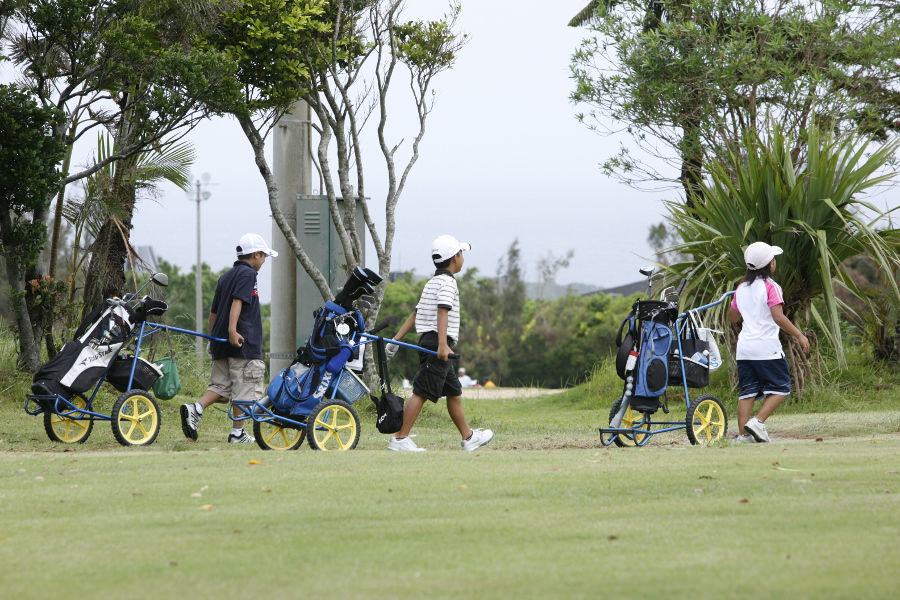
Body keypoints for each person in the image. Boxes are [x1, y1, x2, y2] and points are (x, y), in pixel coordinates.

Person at [385, 234, 493, 452]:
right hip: (437, 343)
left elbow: (416, 314)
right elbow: (442, 311)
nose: (462, 258)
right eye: (461, 253)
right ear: (455, 258)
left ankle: (469, 437)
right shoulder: (448, 283)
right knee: (422, 391)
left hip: (432, 341)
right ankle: (400, 439)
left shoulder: (432, 282)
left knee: (453, 391)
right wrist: (443, 345)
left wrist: (395, 340)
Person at [180, 233, 277, 443]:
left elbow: (213, 312)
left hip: (221, 342)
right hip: (241, 342)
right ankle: (237, 433)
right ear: (256, 254)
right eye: (264, 256)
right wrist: (233, 331)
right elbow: (238, 301)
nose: (264, 260)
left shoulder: (226, 276)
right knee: (244, 387)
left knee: (220, 386)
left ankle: (196, 408)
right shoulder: (248, 274)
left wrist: (213, 338)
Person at [729, 241, 810, 443]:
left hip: (744, 349)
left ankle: (744, 436)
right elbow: (778, 317)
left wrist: (745, 305)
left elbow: (733, 317)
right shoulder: (771, 286)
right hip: (766, 347)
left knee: (747, 392)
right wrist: (799, 335)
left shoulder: (741, 288)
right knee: (781, 388)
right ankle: (757, 422)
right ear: (770, 265)